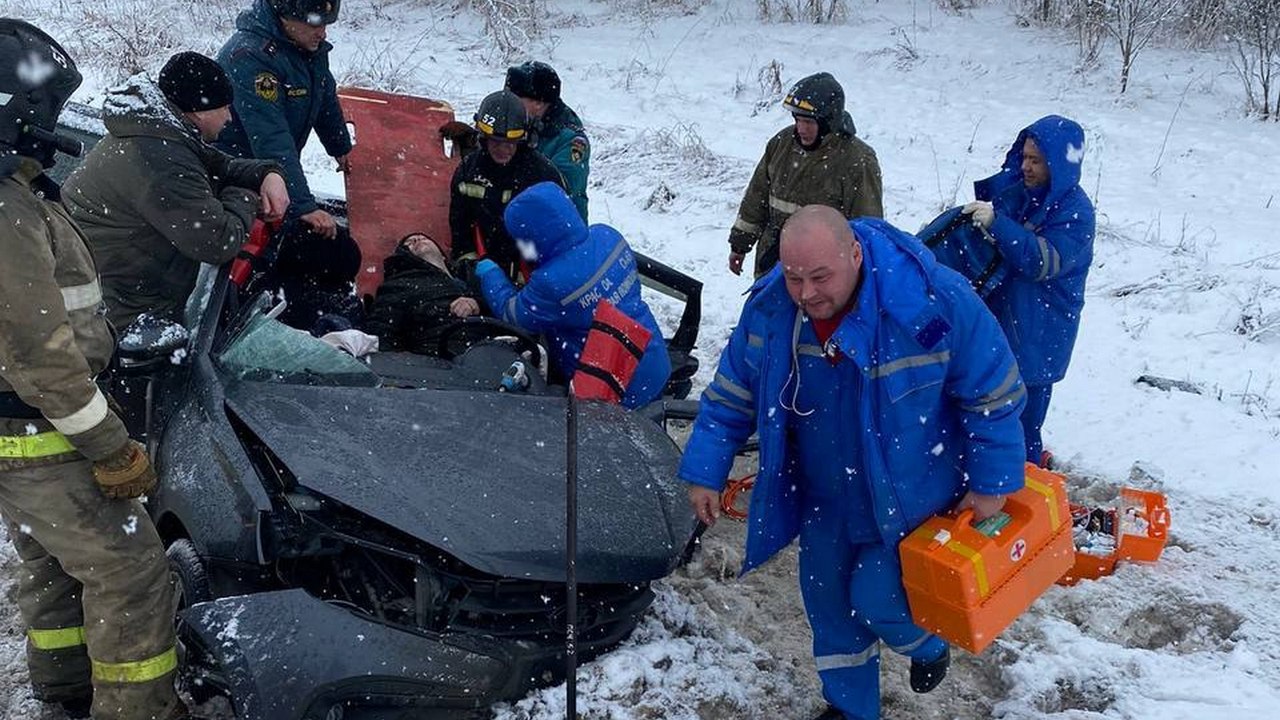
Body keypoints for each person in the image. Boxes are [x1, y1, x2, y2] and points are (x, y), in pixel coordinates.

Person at [680, 205, 1027, 720]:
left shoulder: (932, 301)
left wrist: (992, 482)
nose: (807, 293)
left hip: (915, 498)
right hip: (826, 497)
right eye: (795, 277)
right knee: (831, 612)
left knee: (878, 599)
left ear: (856, 255)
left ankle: (927, 644)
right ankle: (849, 708)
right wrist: (705, 470)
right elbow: (731, 395)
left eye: (821, 277)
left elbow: (993, 394)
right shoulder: (772, 311)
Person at [0, 20, 185, 720]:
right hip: (41, 434)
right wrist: (111, 447)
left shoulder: (18, 193)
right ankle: (139, 710)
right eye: (46, 105)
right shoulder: (6, 210)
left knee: (52, 562)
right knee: (130, 573)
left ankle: (64, 688)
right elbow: (39, 351)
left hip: (18, 432)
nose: (52, 120)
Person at [63, 51, 289, 330]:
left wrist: (268, 173)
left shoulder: (159, 134)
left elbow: (221, 167)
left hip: (113, 289)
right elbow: (218, 241)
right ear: (199, 111)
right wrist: (246, 195)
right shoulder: (161, 159)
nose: (230, 117)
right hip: (118, 315)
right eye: (225, 107)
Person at [961, 115, 1095, 465]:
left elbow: (1042, 261)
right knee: (987, 413)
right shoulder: (1022, 193)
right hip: (1005, 319)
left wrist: (998, 224)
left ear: (1058, 164)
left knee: (1022, 424)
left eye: (1036, 160)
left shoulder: (1076, 213)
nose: (1025, 166)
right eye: (1024, 157)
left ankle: (1026, 480)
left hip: (1040, 331)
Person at [476, 182, 671, 408]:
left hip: (613, 388)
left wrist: (490, 274)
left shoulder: (553, 282)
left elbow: (512, 315)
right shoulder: (607, 236)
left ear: (532, 237)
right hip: (652, 360)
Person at [728, 72, 884, 279]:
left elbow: (867, 230)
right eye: (797, 120)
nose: (801, 129)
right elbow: (756, 198)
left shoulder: (858, 160)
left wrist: (858, 278)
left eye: (809, 122)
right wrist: (740, 244)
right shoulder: (781, 144)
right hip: (773, 266)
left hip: (823, 275)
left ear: (828, 121)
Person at [217, 0, 350, 239]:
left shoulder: (304, 47)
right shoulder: (249, 56)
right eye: (314, 25)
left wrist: (340, 147)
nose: (322, 33)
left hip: (273, 170)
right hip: (237, 172)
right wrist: (303, 206)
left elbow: (323, 94)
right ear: (285, 17)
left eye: (326, 24)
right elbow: (270, 136)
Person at [449, 89, 566, 283]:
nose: (503, 149)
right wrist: (470, 267)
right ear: (483, 137)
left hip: (534, 275)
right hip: (484, 272)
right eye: (496, 141)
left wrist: (532, 274)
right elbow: (460, 230)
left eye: (510, 142)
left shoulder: (543, 175)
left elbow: (559, 235)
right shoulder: (468, 173)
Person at [366, 233, 481, 354]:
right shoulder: (398, 285)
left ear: (442, 255)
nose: (418, 240)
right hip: (439, 354)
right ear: (404, 257)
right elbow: (381, 334)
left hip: (488, 344)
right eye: (409, 243)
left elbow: (494, 300)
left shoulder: (471, 273)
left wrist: (477, 303)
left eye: (424, 238)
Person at [505, 60, 590, 220]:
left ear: (538, 103)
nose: (507, 104)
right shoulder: (517, 123)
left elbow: (559, 189)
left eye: (515, 99)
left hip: (559, 226)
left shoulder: (571, 140)